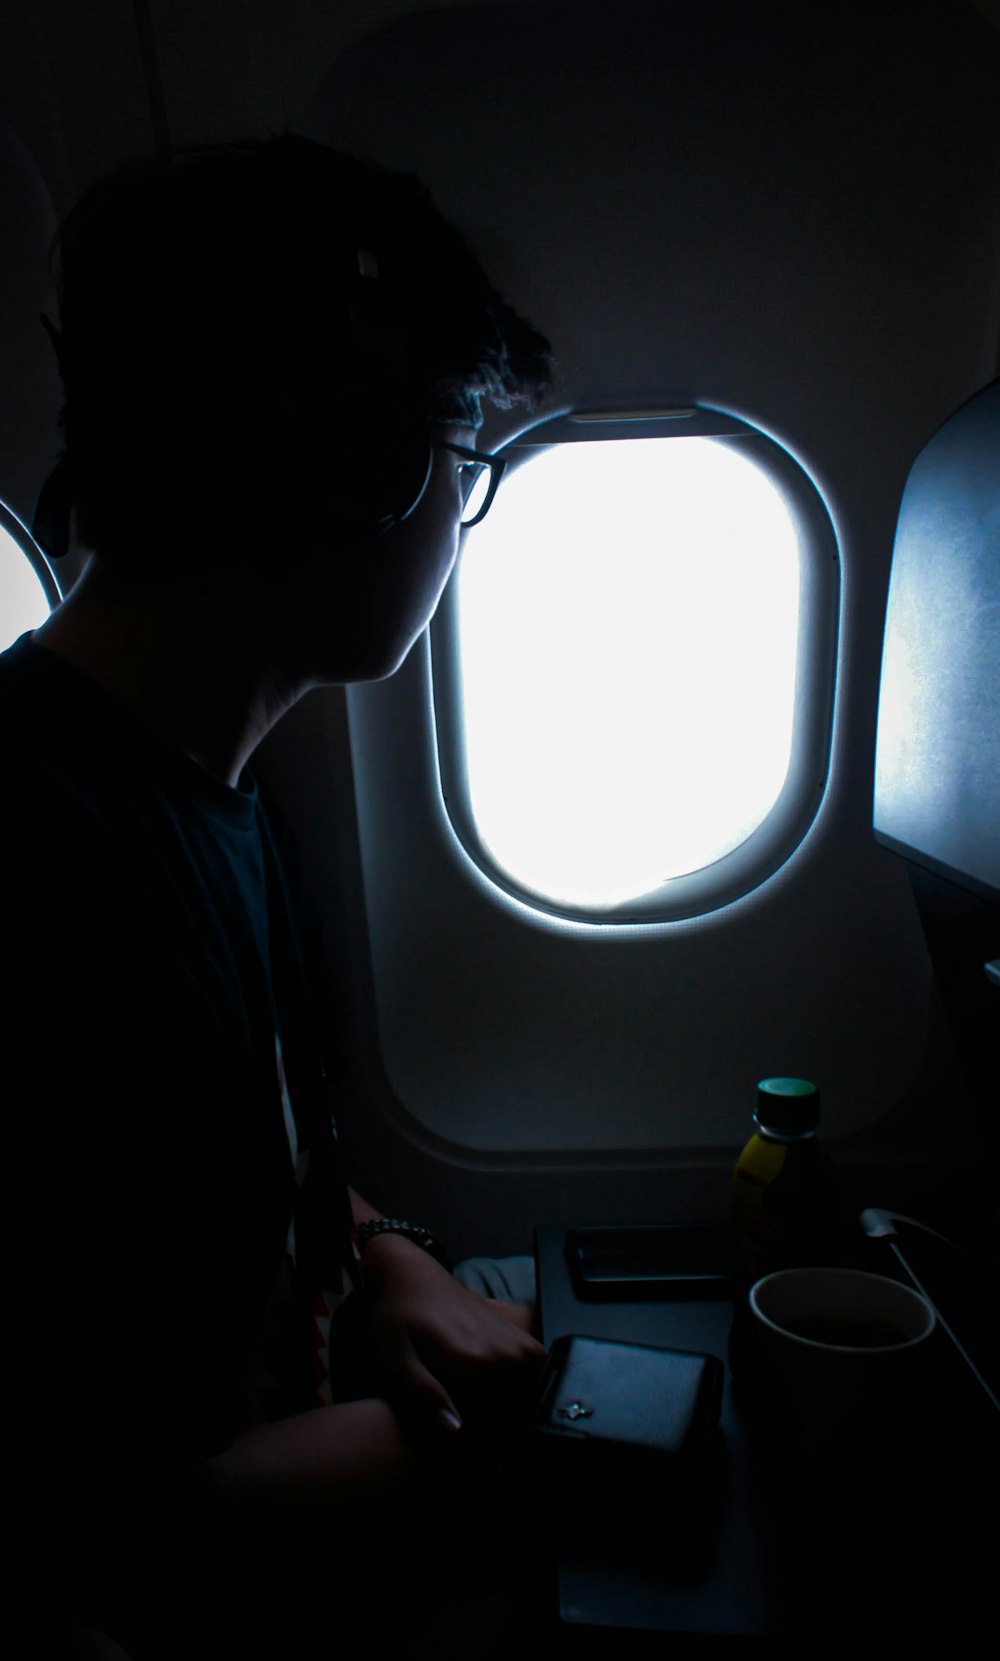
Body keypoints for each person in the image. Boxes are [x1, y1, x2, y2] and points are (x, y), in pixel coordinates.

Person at [2, 136, 552, 1657]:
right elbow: (94, 1517)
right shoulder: (47, 867)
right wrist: (522, 1426)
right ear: (368, 470)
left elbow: (248, 1167)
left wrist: (376, 1252)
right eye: (467, 467)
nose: (459, 520)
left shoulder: (210, 796)